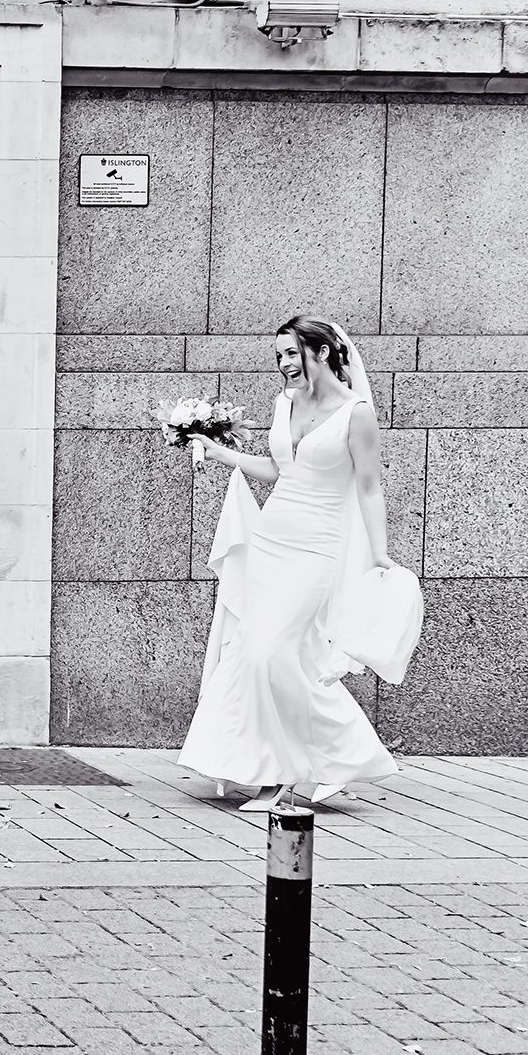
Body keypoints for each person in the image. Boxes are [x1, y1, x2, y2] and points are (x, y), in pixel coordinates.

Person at [181, 315, 405, 810]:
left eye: (291, 353)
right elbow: (281, 471)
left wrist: (378, 550)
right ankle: (269, 771)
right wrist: (219, 452)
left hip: (317, 548)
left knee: (270, 654)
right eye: (278, 355)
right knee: (263, 655)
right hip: (272, 541)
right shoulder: (285, 403)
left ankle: (345, 753)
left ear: (322, 352)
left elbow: (369, 486)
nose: (283, 365)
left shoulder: (356, 413)